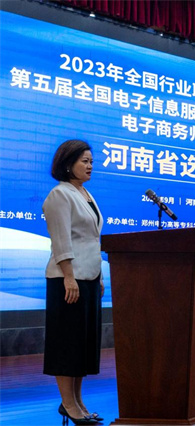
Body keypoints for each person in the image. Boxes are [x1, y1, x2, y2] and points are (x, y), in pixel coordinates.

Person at [43, 140, 104, 425]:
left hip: (88, 277)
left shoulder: (86, 194)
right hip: (67, 280)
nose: (90, 166)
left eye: (91, 161)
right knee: (67, 344)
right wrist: (68, 275)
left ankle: (77, 402)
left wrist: (99, 276)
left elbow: (91, 240)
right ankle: (68, 404)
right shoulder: (60, 194)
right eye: (84, 161)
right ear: (68, 164)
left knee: (82, 345)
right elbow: (61, 239)